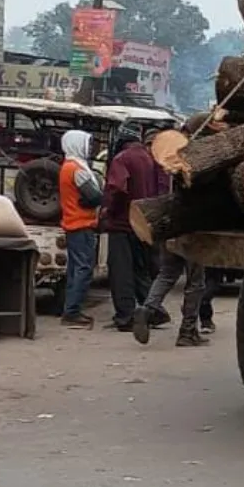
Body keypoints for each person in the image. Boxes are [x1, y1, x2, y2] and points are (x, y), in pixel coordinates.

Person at [133, 126, 207, 347]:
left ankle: (147, 309)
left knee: (166, 274)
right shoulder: (199, 166)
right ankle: (187, 331)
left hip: (171, 226)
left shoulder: (170, 164)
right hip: (193, 230)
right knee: (196, 283)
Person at [99, 119, 158, 332]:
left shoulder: (122, 159)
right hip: (141, 222)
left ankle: (125, 316)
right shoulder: (146, 158)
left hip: (122, 223)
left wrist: (108, 211)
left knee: (121, 271)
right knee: (140, 270)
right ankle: (155, 310)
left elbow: (117, 187)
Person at [58, 130, 103, 329]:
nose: (90, 148)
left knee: (75, 269)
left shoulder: (66, 167)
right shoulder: (77, 169)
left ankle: (70, 309)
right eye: (87, 143)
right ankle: (72, 312)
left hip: (71, 223)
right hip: (82, 224)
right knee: (84, 268)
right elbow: (94, 197)